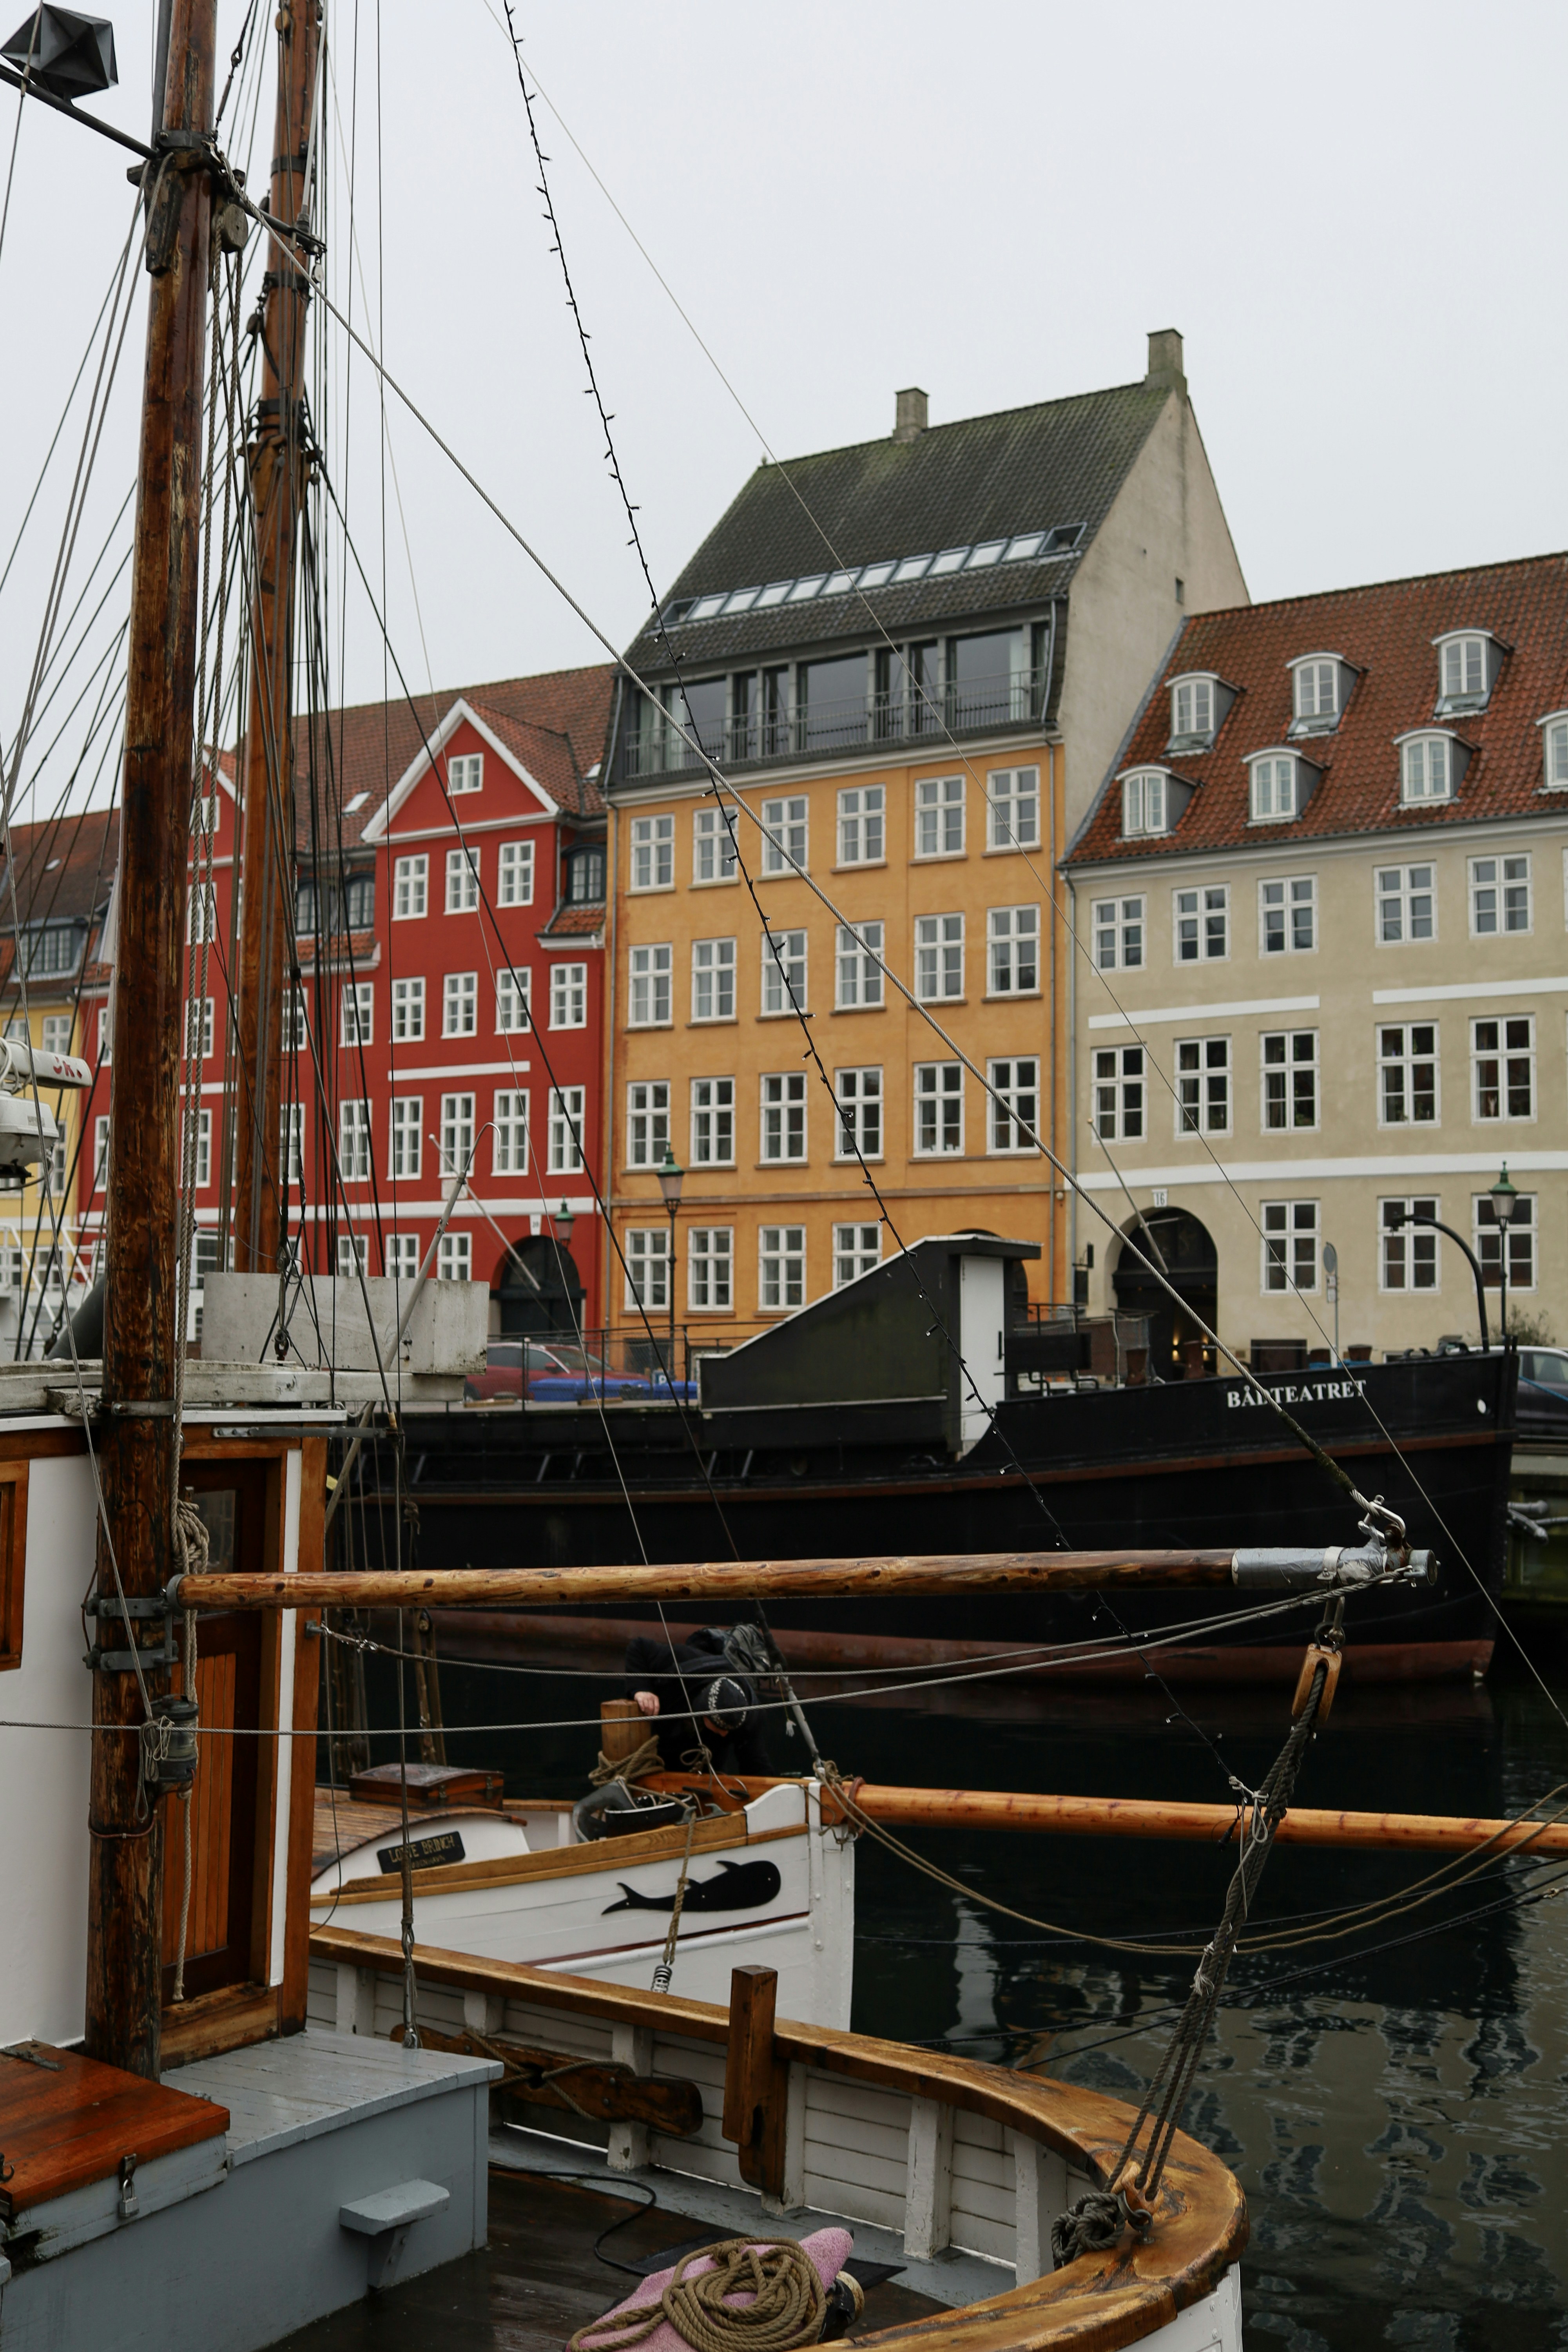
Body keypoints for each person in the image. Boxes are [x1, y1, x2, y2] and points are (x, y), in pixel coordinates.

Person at [624, 1625, 774, 1776]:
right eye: (720, 1727)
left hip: (708, 1766)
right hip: (661, 1746)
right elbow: (638, 1648)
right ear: (704, 1712)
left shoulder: (752, 1716)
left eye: (729, 1730)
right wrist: (641, 1690)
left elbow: (755, 1761)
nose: (724, 1734)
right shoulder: (684, 1662)